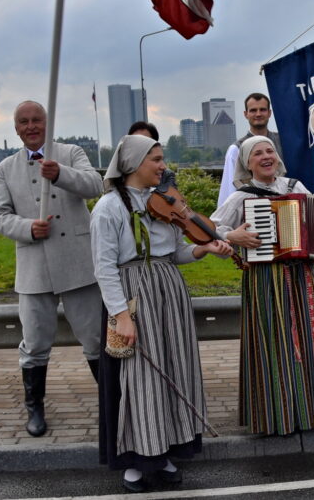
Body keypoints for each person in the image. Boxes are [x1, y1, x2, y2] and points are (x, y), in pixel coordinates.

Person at [92, 135, 232, 492]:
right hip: (134, 296)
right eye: (155, 159)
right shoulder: (107, 208)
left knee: (173, 369)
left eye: (162, 158)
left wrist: (204, 250)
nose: (163, 165)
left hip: (169, 293)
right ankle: (137, 460)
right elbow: (105, 268)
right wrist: (121, 316)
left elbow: (177, 254)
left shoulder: (164, 201)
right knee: (138, 379)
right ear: (134, 164)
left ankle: (165, 450)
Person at [211, 136, 314, 436]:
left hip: (301, 278)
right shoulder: (240, 197)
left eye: (269, 150)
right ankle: (279, 417)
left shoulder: (294, 188)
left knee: (310, 343)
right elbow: (209, 229)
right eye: (257, 153)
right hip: (264, 280)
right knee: (275, 345)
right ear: (247, 163)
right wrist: (233, 237)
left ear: (277, 156)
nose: (265, 156)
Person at [0, 100, 103, 437]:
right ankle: (34, 406)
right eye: (24, 122)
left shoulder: (70, 153)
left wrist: (60, 174)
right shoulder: (5, 169)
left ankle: (114, 402)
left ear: (47, 122)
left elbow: (95, 185)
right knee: (35, 341)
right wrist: (26, 228)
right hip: (34, 267)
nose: (31, 126)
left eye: (37, 120)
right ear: (16, 128)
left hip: (78, 263)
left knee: (95, 338)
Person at [217, 93, 284, 207]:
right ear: (246, 114)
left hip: (286, 207)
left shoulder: (283, 142)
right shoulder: (236, 149)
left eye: (262, 110)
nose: (258, 114)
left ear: (269, 113)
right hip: (255, 211)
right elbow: (228, 191)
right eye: (253, 110)